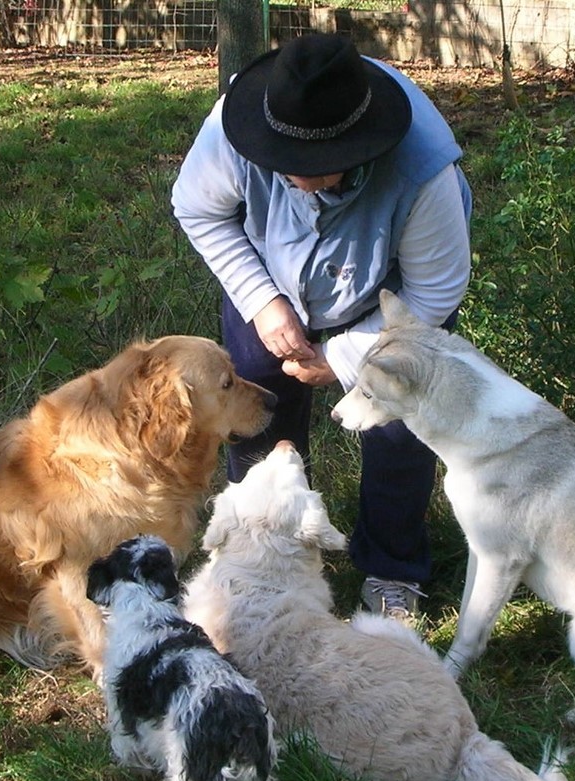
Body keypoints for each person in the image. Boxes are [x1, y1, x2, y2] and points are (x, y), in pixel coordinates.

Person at [171, 32, 472, 622]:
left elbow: (434, 290)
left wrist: (344, 358)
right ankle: (258, 554)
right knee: (254, 402)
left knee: (395, 426)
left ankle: (392, 567)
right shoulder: (236, 126)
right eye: (282, 164)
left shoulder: (423, 167)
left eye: (313, 169)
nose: (294, 179)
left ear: (361, 146)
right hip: (273, 284)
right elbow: (198, 207)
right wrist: (261, 299)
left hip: (386, 304)